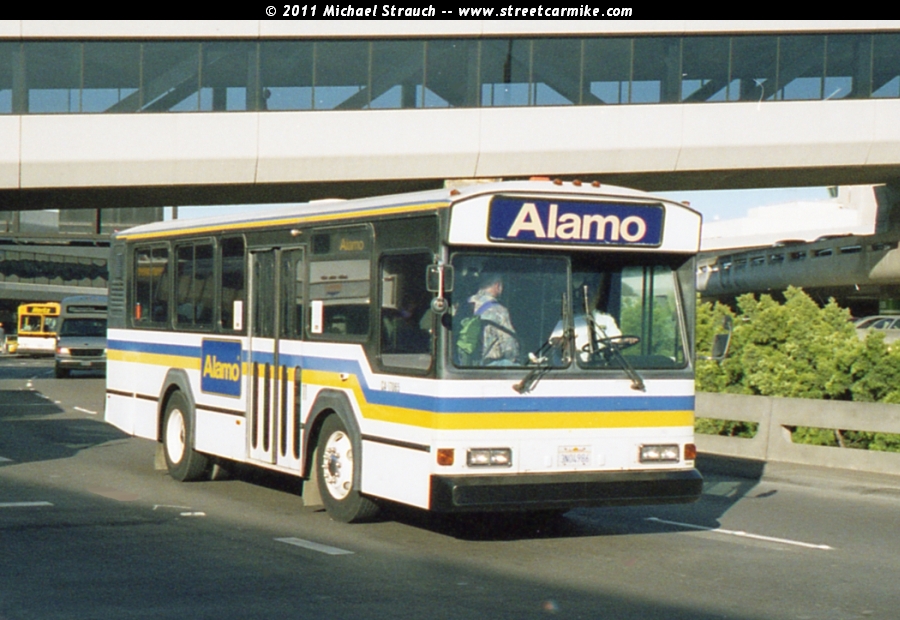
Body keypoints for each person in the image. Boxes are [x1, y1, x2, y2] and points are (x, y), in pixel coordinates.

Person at [467, 273, 519, 365]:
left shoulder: (464, 305)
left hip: (464, 364)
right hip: (489, 367)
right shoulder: (499, 310)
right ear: (497, 285)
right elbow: (509, 349)